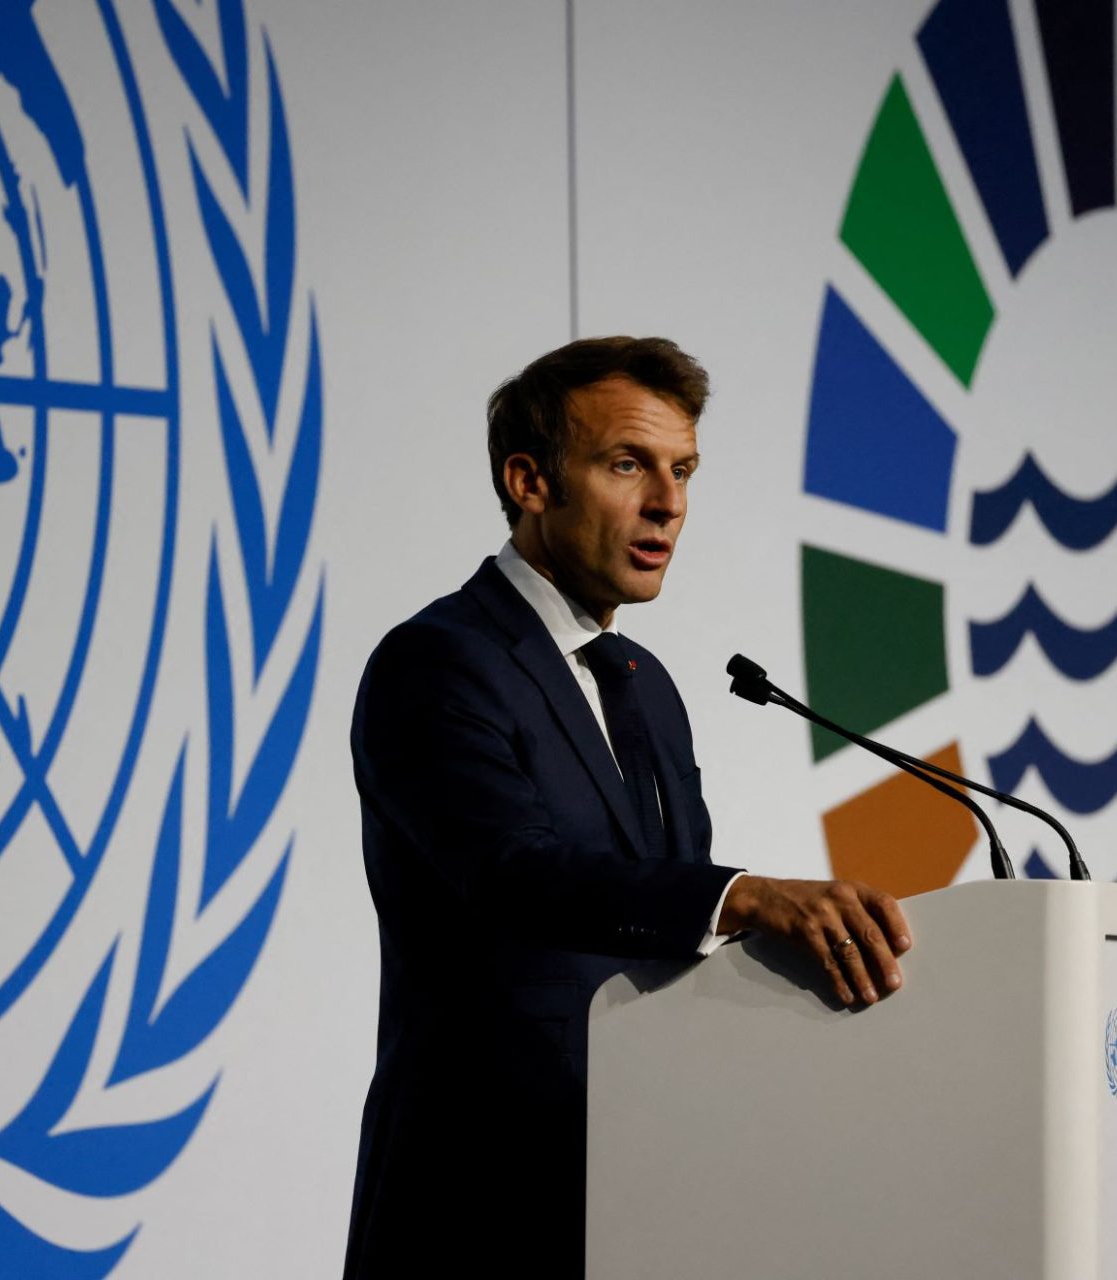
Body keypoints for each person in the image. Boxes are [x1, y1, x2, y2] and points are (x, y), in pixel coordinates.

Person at [342, 336, 913, 1279]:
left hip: (641, 1201)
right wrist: (741, 896)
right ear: (529, 481)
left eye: (682, 470)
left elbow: (663, 941)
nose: (668, 502)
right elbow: (513, 874)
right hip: (478, 1202)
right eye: (627, 464)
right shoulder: (439, 662)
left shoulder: (644, 684)